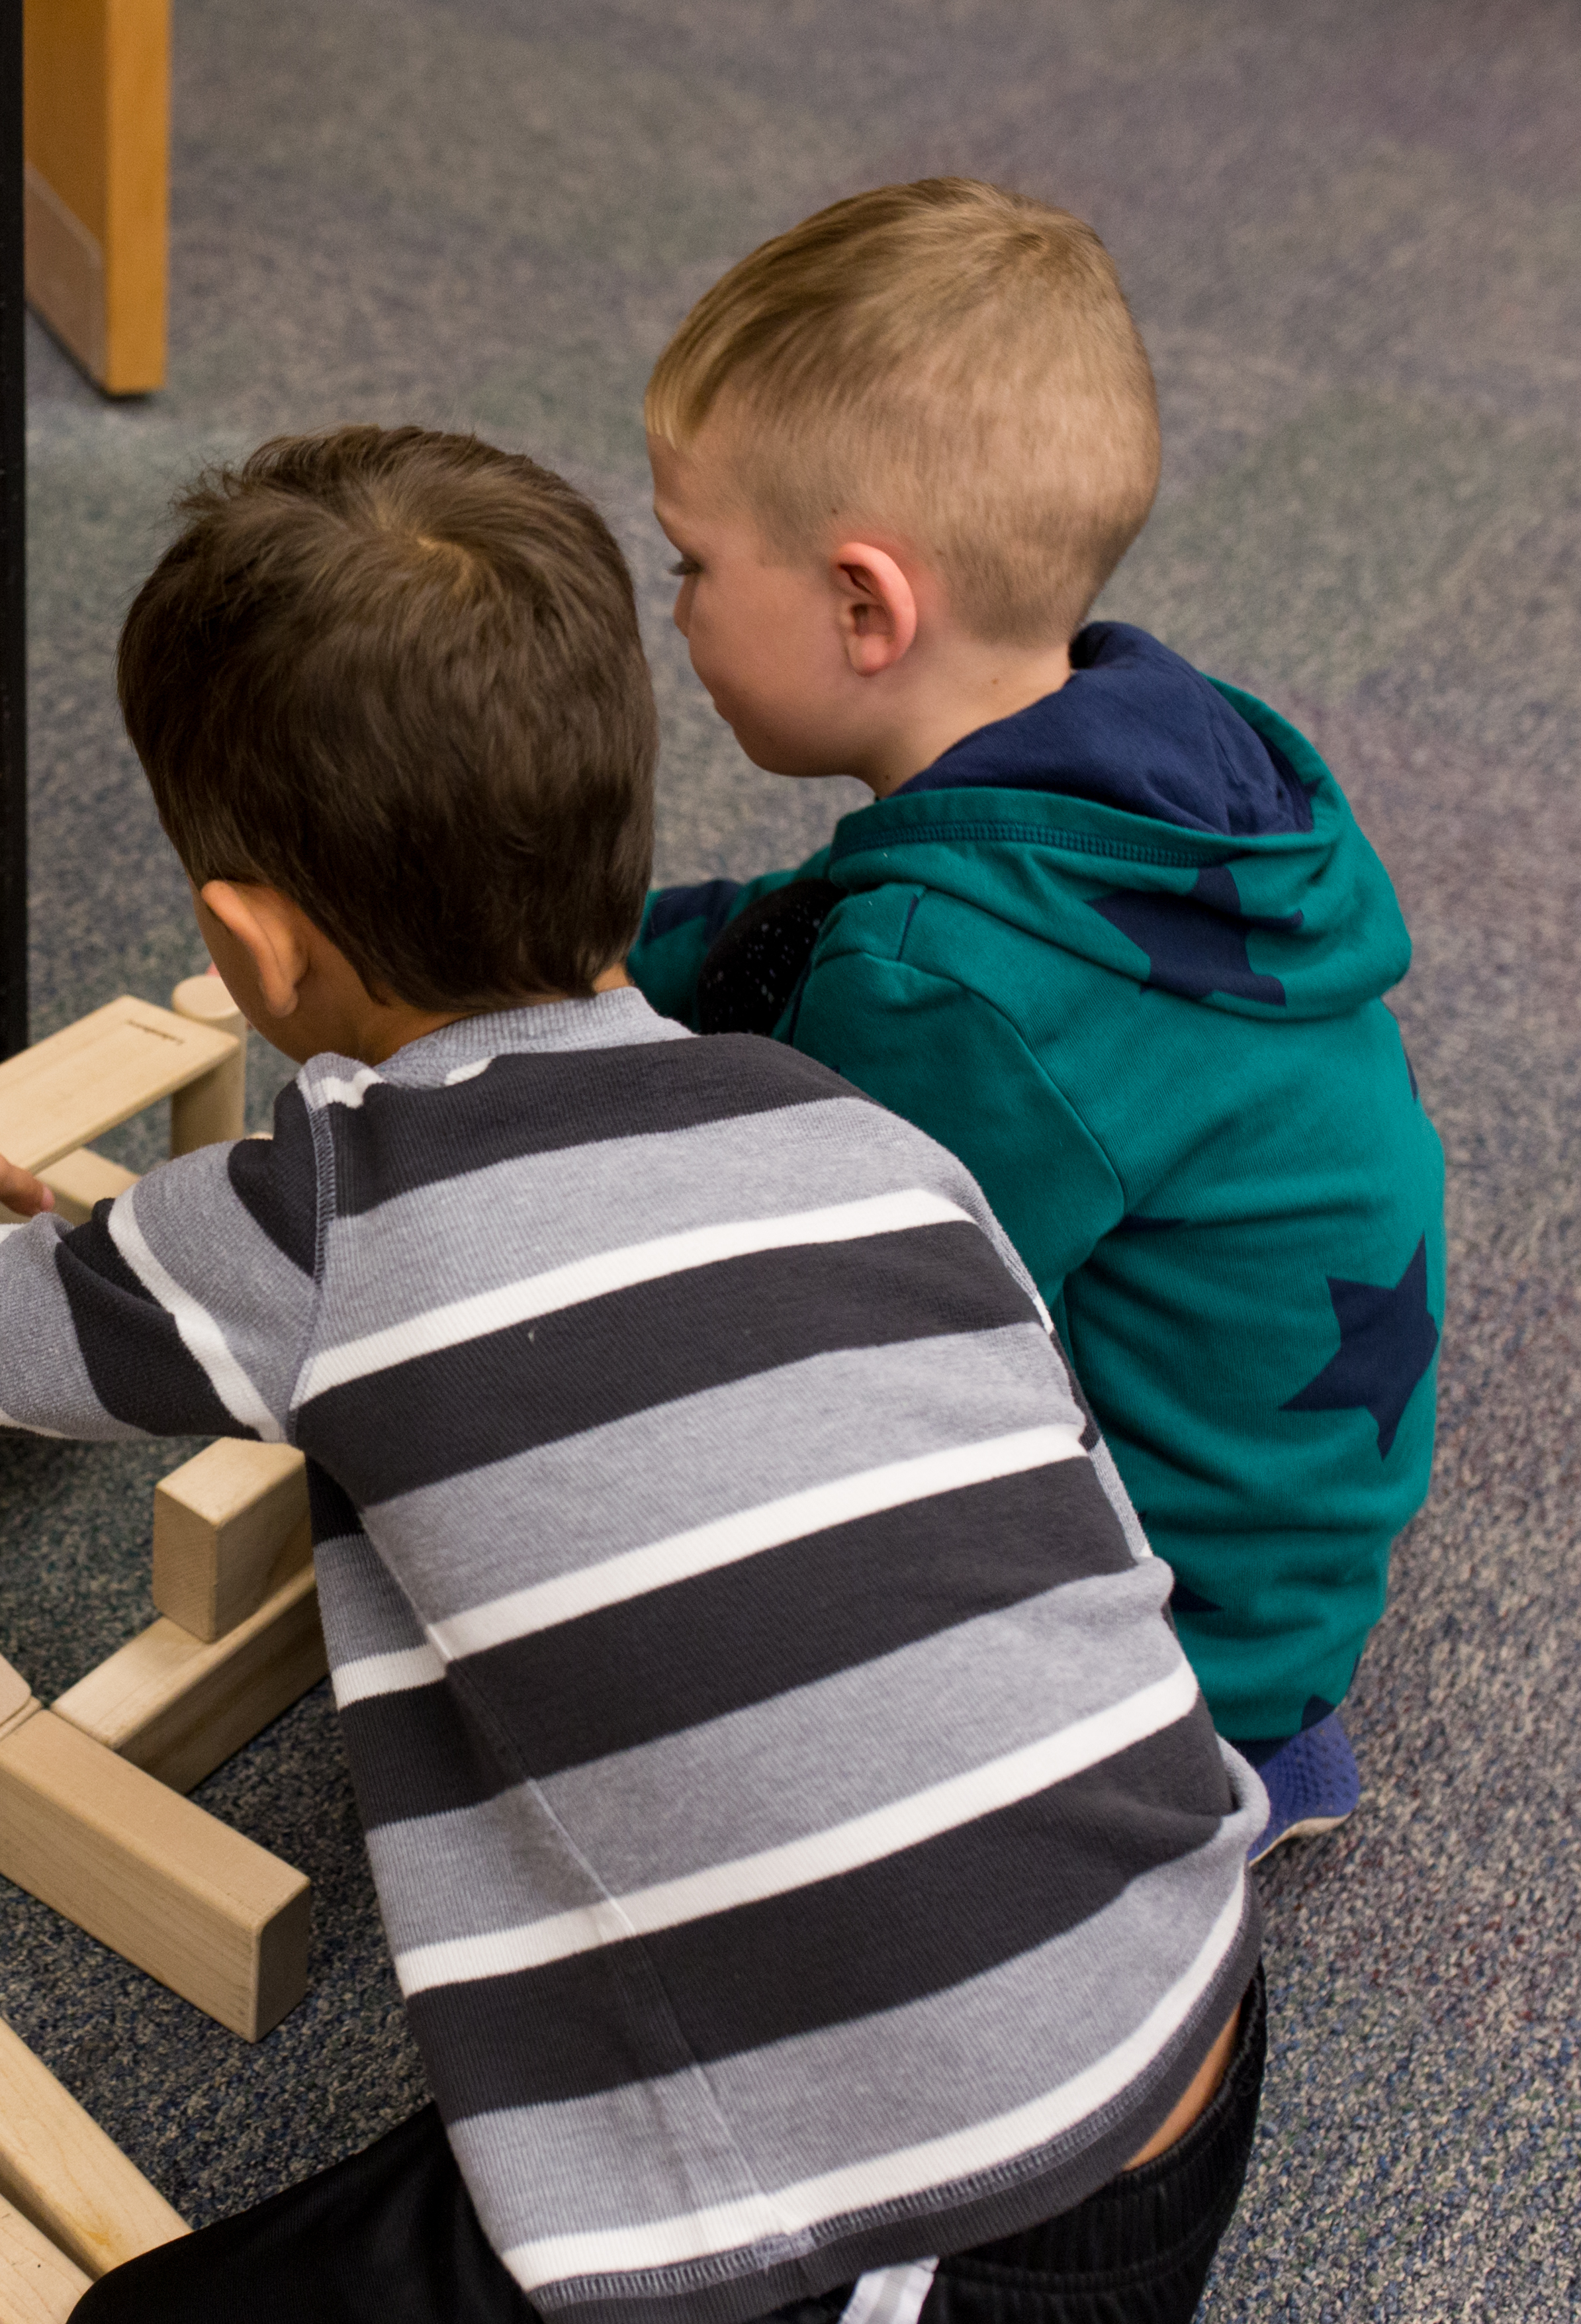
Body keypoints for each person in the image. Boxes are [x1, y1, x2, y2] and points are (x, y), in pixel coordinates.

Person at [0, 425, 1264, 2324]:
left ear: (251, 948)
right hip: (1193, 2031)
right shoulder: (857, 1129)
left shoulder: (314, 1224)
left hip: (909, 2248)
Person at [623, 181, 1447, 1855]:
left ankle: (1207, 1774)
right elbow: (807, 921)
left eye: (688, 564)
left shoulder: (950, 986)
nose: (675, 609)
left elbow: (813, 1320)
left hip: (1181, 1647)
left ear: (863, 607)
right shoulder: (1131, 765)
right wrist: (598, 950)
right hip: (1280, 1522)